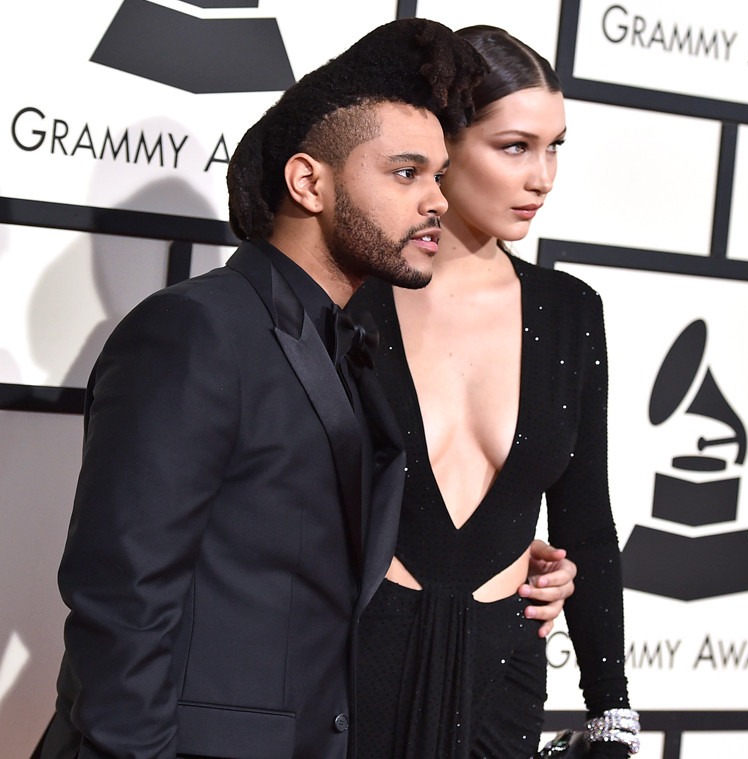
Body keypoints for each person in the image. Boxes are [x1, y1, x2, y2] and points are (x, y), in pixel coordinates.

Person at [38, 18, 575, 759]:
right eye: (405, 172)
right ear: (308, 181)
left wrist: (523, 556)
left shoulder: (350, 350)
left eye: (438, 175)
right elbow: (124, 601)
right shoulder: (197, 330)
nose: (437, 201)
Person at [350, 25, 639, 759]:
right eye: (515, 146)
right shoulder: (352, 296)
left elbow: (588, 523)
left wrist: (611, 714)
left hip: (504, 675)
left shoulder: (572, 313)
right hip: (351, 660)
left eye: (555, 147)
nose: (542, 177)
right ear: (444, 144)